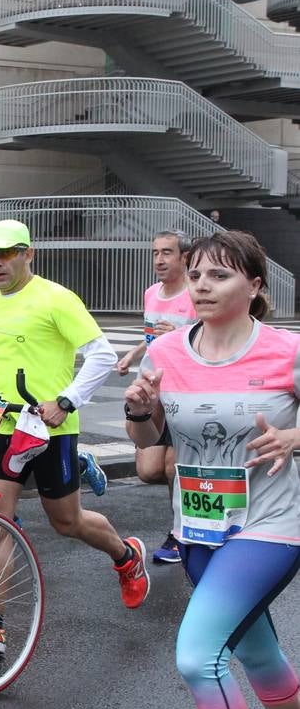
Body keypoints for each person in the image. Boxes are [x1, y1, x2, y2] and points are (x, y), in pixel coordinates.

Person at [124, 230, 300, 709]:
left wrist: (294, 436)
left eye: (218, 275)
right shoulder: (167, 352)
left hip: (271, 526)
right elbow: (149, 446)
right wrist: (140, 412)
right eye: (195, 274)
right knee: (256, 654)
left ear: (253, 286)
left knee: (199, 657)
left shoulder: (286, 351)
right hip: (199, 529)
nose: (200, 285)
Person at [0, 219, 149, 635]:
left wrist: (66, 401)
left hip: (52, 431)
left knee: (67, 521)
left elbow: (102, 355)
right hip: (3, 427)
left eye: (7, 254)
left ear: (28, 254)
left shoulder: (55, 299)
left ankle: (125, 556)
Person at [114, 229, 196, 565]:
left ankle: (181, 532)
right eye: (155, 252)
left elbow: (209, 338)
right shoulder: (152, 293)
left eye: (167, 253)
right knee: (150, 469)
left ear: (184, 258)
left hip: (186, 389)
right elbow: (151, 337)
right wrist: (134, 355)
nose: (159, 260)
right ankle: (190, 512)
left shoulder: (196, 294)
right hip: (152, 391)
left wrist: (181, 335)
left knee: (172, 466)